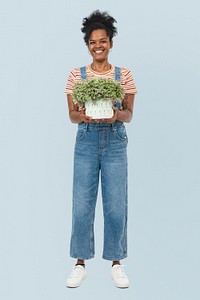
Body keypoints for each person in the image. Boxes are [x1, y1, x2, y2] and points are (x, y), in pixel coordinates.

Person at [64, 10, 137, 288]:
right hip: (86, 139)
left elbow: (129, 114)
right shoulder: (76, 75)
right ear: (88, 45)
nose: (98, 46)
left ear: (111, 43)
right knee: (82, 204)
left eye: (103, 40)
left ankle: (116, 263)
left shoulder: (124, 75)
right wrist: (83, 115)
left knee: (116, 204)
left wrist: (115, 115)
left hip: (115, 140)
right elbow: (71, 115)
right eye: (93, 42)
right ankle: (80, 262)